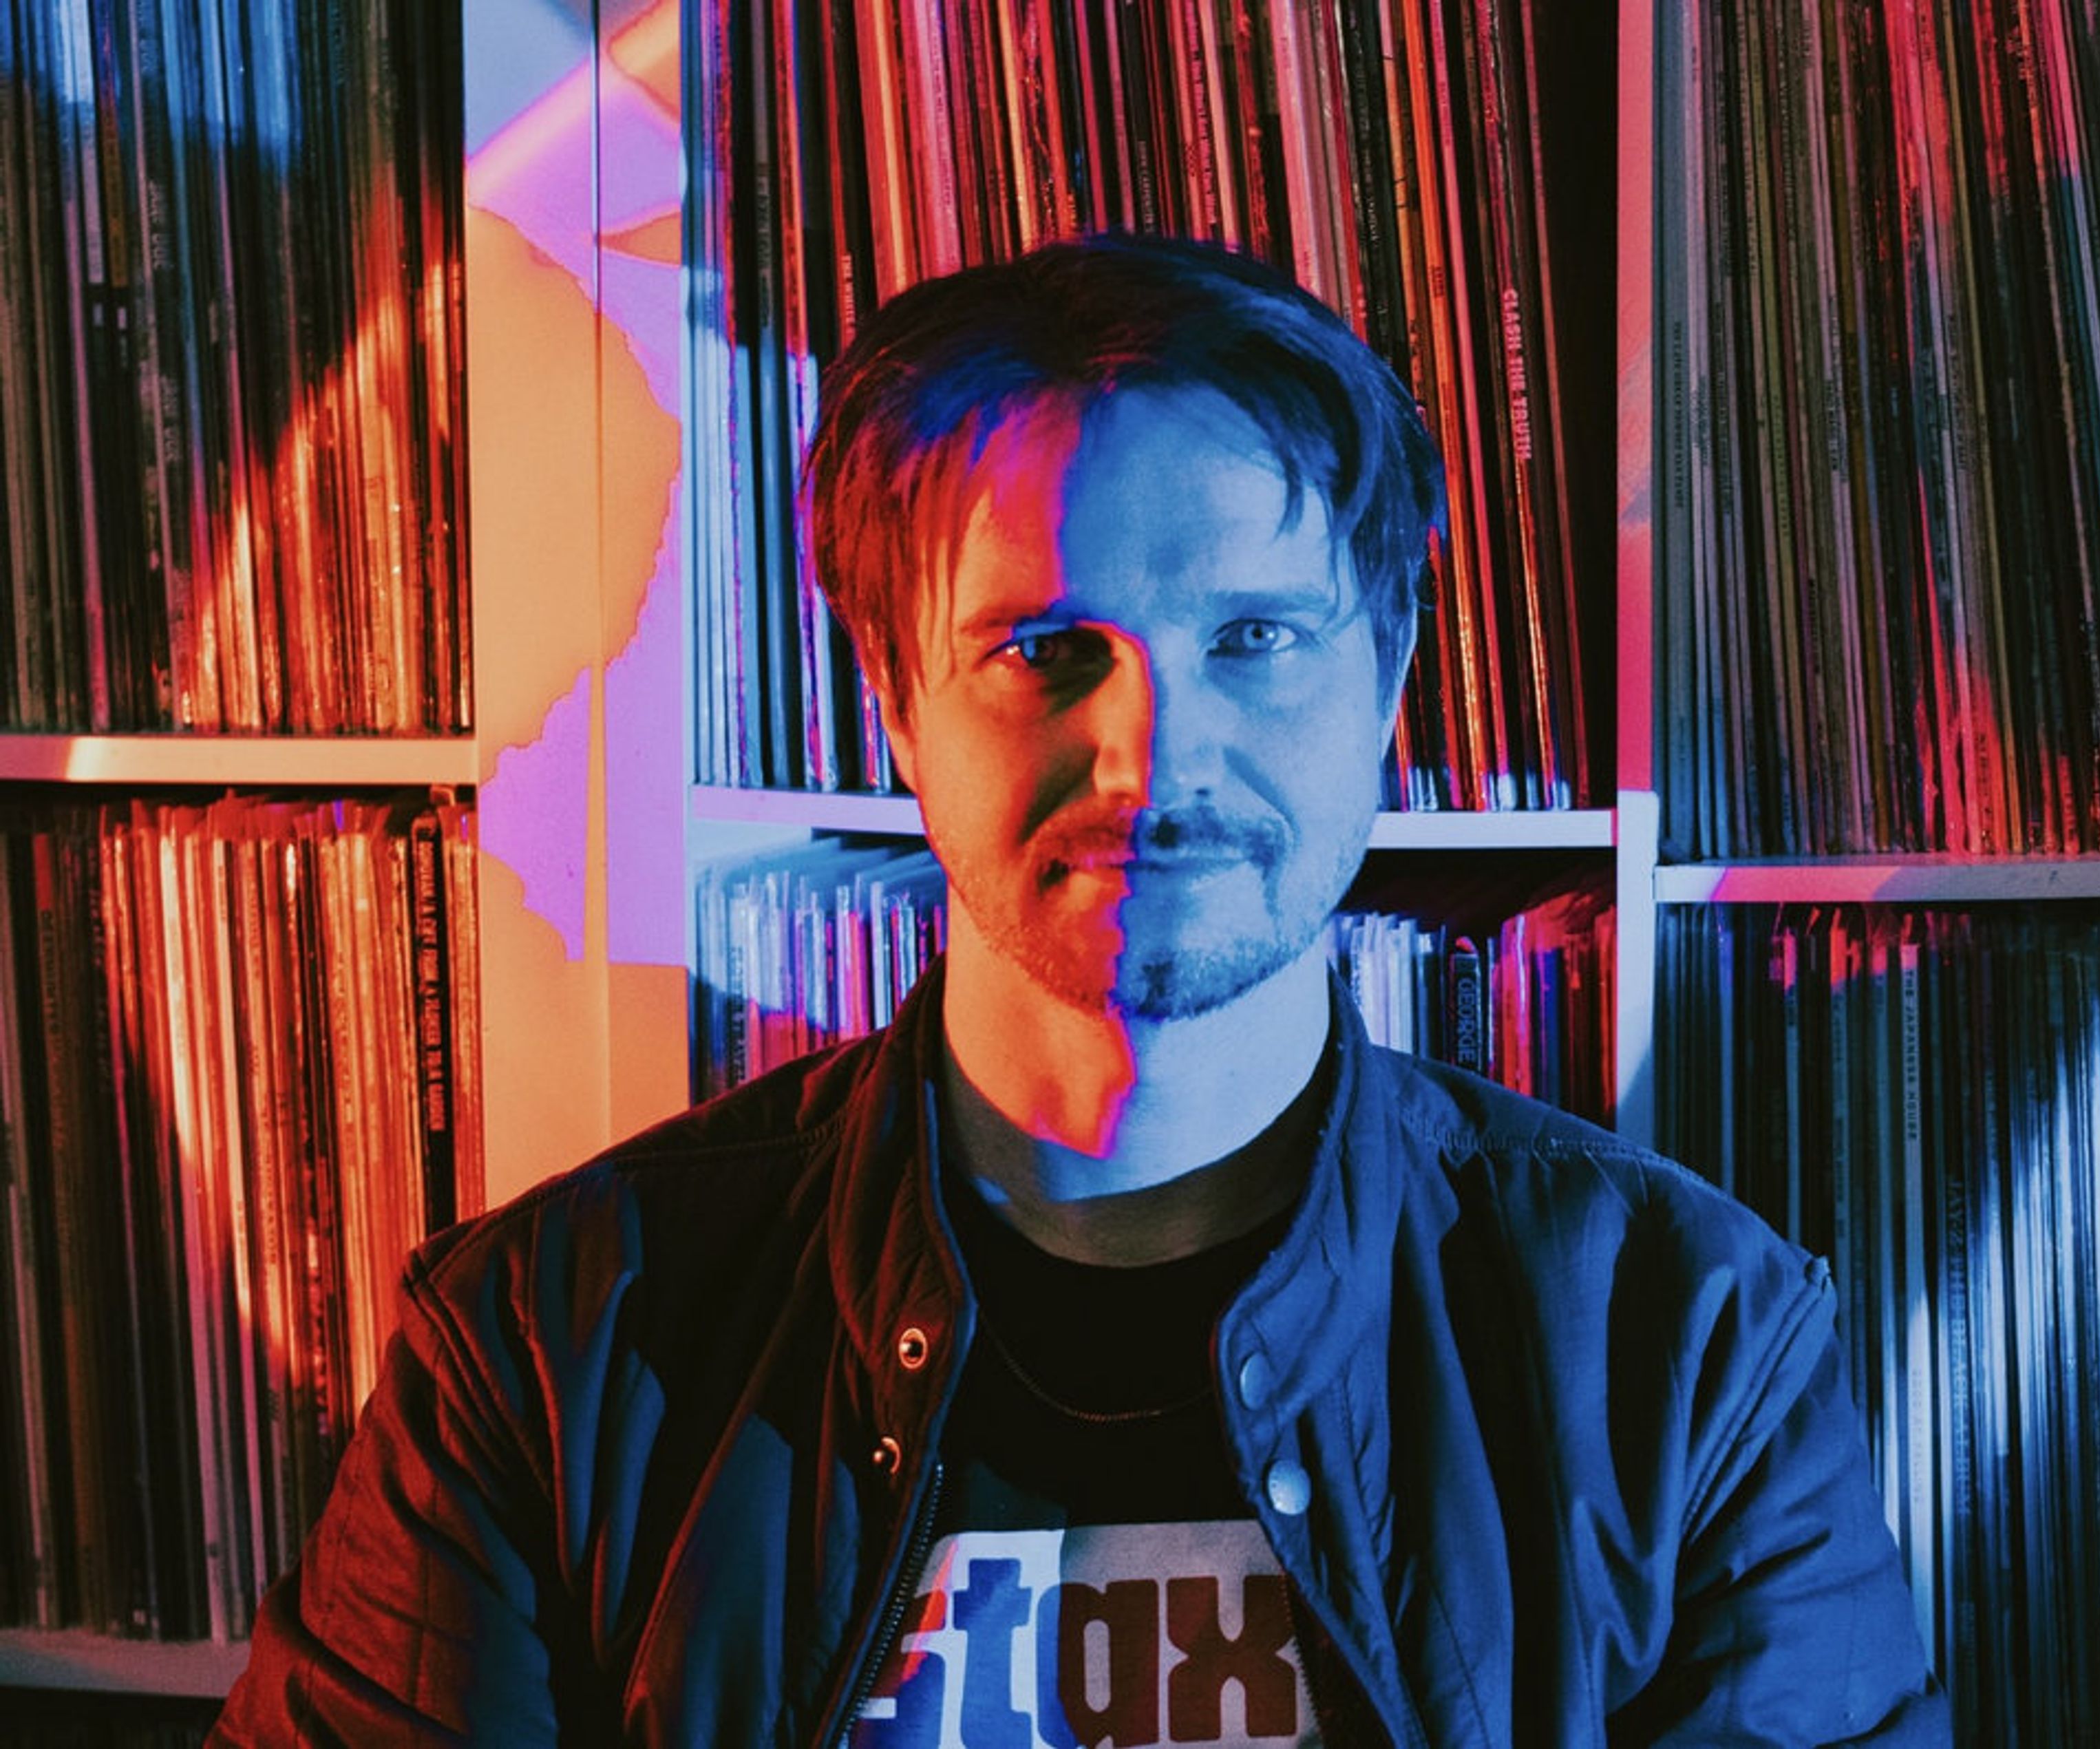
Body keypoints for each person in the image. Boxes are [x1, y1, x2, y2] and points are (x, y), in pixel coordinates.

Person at [213, 234, 1945, 1746]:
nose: (1151, 752)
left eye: (1254, 638)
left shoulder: (1690, 1346)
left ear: (1389, 675)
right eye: (1045, 649)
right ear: (896, 700)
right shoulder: (543, 1344)